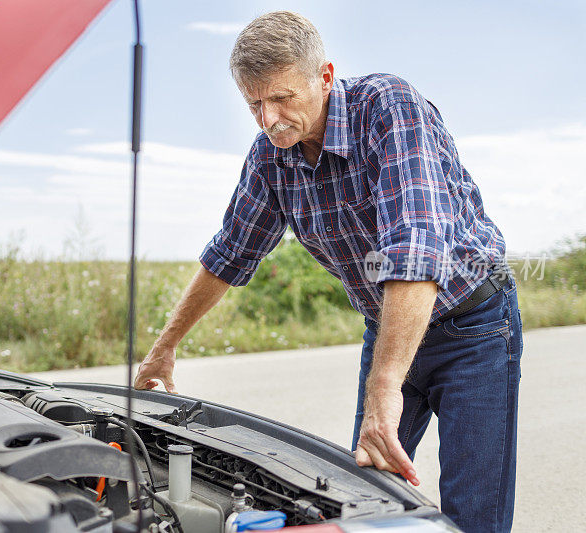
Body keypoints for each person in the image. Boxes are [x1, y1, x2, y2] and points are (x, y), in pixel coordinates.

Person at [133, 11, 522, 533]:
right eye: (254, 104)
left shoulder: (389, 108)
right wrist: (164, 346)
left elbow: (417, 244)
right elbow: (230, 252)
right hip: (388, 327)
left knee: (471, 516)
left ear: (325, 76)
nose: (269, 119)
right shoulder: (272, 157)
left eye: (282, 98)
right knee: (358, 497)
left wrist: (385, 385)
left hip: (473, 328)